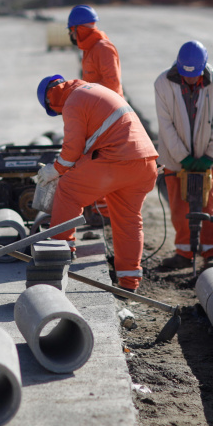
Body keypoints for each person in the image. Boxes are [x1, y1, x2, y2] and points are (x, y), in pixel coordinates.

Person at [35, 75, 158, 292]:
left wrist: (54, 170)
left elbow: (72, 151)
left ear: (50, 100)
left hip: (116, 160)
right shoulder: (93, 91)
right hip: (144, 163)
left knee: (68, 190)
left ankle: (59, 253)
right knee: (128, 220)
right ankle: (129, 282)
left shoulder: (72, 100)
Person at [153, 41, 213, 271]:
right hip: (176, 160)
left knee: (209, 205)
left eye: (194, 75)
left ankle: (211, 252)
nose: (190, 80)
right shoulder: (163, 83)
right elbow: (166, 126)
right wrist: (183, 158)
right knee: (179, 207)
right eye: (186, 75)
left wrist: (211, 155)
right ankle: (184, 252)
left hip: (207, 157)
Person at [67, 5, 123, 97]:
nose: (70, 34)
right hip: (98, 105)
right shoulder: (89, 48)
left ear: (79, 29)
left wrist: (84, 91)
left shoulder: (103, 48)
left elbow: (112, 84)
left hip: (110, 107)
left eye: (70, 30)